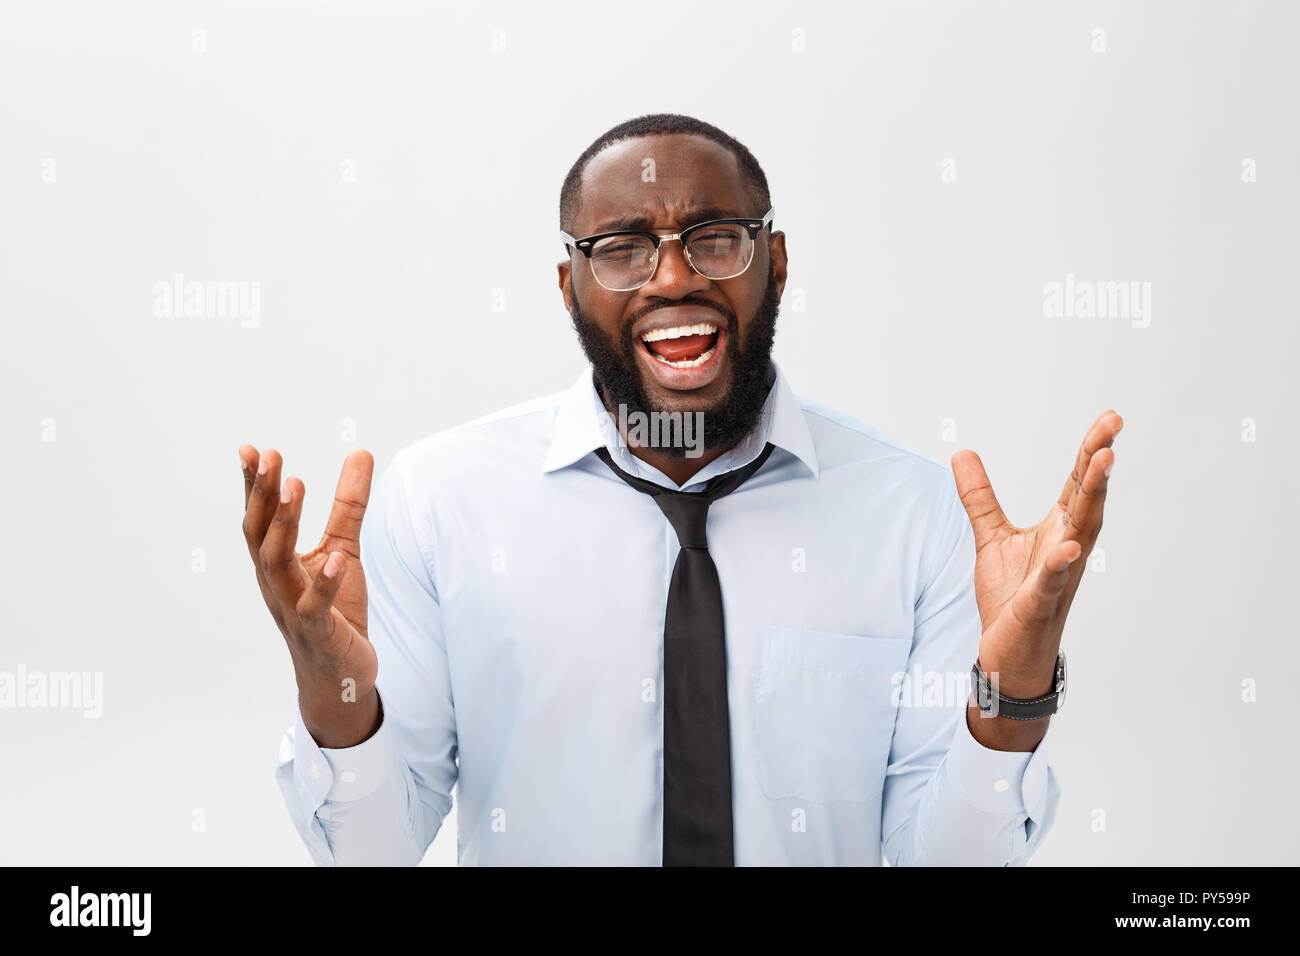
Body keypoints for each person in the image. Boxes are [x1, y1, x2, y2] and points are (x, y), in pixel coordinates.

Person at [238, 113, 1122, 866]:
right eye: (621, 250)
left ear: (773, 261)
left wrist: (1012, 692)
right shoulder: (442, 500)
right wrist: (334, 693)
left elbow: (947, 861)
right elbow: (374, 847)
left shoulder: (915, 514)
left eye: (715, 238)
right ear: (569, 286)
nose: (671, 276)